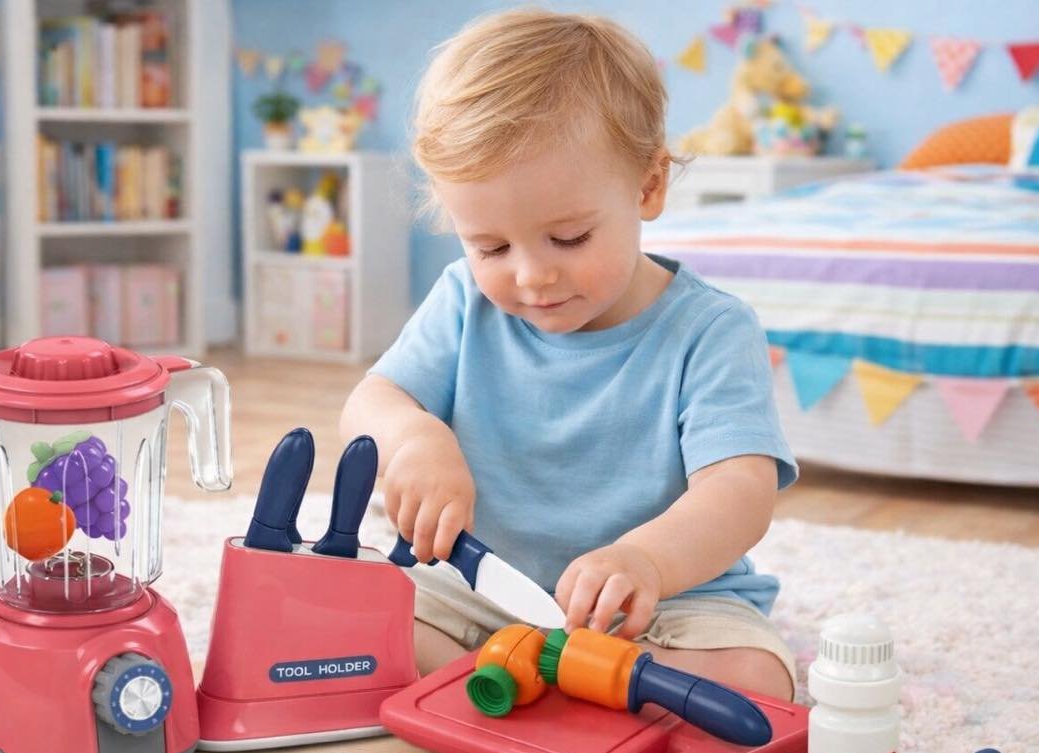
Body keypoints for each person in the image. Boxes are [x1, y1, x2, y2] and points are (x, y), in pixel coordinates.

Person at [339, 9, 798, 700]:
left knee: (755, 681)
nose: (531, 276)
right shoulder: (464, 299)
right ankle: (549, 685)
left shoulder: (710, 330)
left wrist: (646, 560)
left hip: (660, 604)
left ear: (648, 186)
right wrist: (411, 438)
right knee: (356, 622)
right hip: (478, 587)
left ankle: (530, 686)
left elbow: (740, 492)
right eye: (492, 247)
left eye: (570, 238)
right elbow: (373, 400)